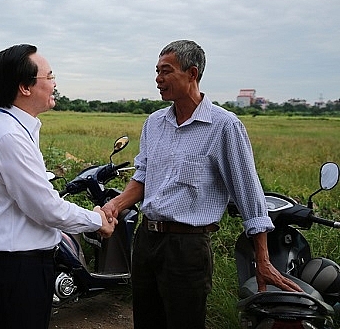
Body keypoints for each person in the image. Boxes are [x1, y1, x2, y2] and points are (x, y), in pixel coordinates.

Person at [102, 40, 301, 329]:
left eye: (166, 71)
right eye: (156, 71)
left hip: (187, 247)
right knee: (146, 320)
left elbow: (249, 194)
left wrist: (263, 260)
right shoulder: (154, 123)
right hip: (147, 240)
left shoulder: (224, 126)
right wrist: (115, 204)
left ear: (192, 73)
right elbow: (142, 177)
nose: (158, 79)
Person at [0, 44, 117, 329]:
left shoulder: (17, 129)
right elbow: (45, 207)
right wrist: (96, 220)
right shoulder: (10, 137)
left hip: (16, 267)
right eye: (49, 77)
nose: (54, 84)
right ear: (25, 87)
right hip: (18, 270)